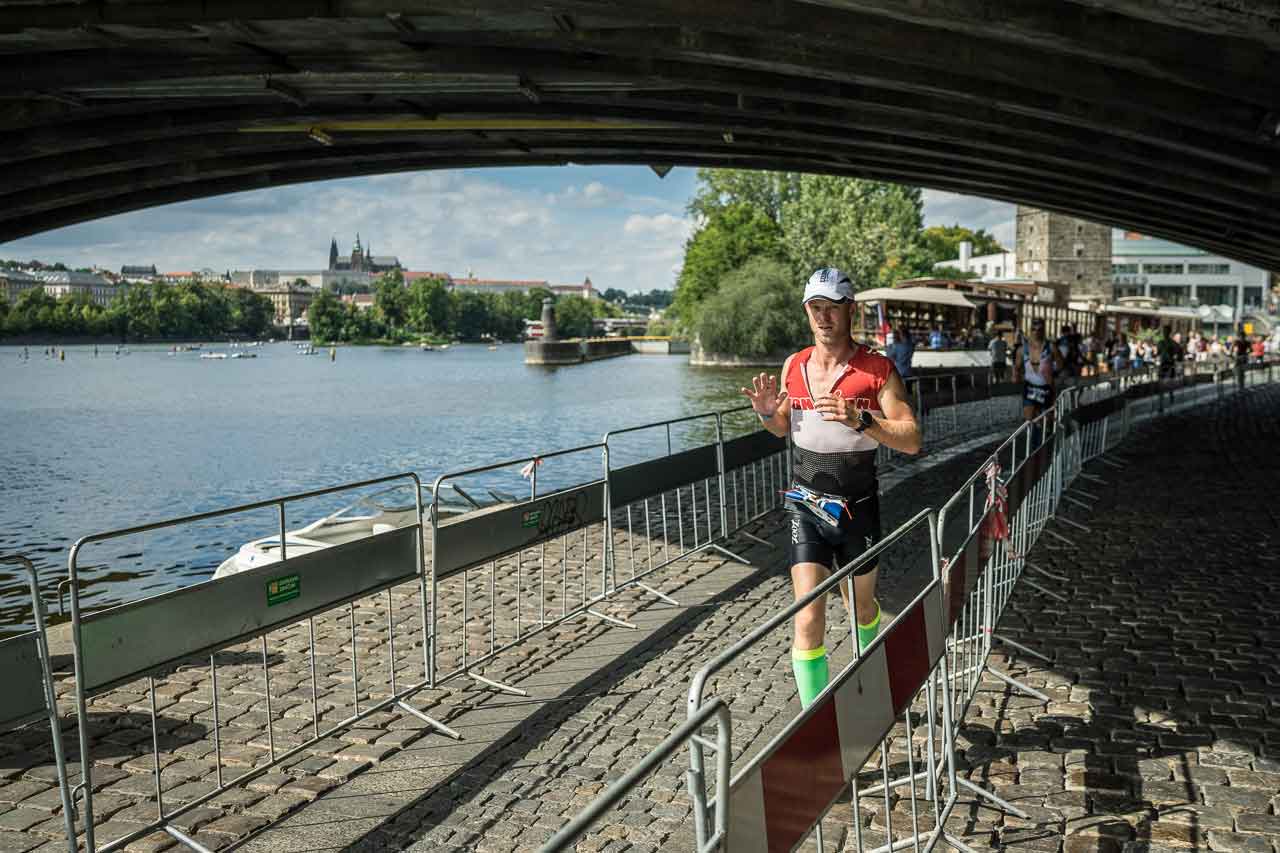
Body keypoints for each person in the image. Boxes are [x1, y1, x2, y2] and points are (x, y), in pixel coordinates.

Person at [742, 267, 921, 708]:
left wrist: (861, 419)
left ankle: (867, 680)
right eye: (815, 308)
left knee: (860, 609)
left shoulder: (877, 368)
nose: (823, 318)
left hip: (857, 509)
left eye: (832, 308)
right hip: (806, 507)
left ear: (850, 311)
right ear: (807, 313)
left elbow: (912, 439)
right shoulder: (794, 365)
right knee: (807, 618)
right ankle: (816, 723)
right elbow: (783, 428)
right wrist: (767, 413)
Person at [1013, 318, 1063, 424]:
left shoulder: (1051, 347)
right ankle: (1033, 439)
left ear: (1043, 330)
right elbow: (1017, 367)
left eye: (1039, 329)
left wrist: (1051, 373)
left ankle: (1045, 436)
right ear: (1030, 330)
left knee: (1048, 422)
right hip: (1030, 388)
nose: (1036, 332)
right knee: (1029, 421)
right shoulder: (1022, 349)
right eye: (1033, 329)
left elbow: (1060, 365)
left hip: (1046, 388)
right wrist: (1016, 376)